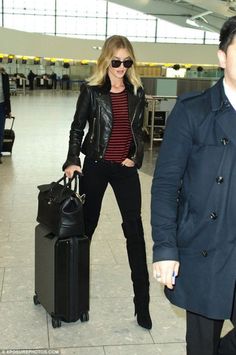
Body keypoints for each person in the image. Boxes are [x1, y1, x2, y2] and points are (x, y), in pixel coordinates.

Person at [151, 16, 236, 355]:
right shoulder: (193, 112)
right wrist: (165, 248)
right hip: (206, 249)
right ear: (222, 57)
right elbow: (166, 185)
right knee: (201, 346)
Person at [63, 35, 152, 330]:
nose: (121, 67)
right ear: (106, 60)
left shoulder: (137, 91)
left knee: (135, 233)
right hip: (97, 166)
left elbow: (138, 131)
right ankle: (72, 298)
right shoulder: (92, 92)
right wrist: (72, 159)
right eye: (116, 61)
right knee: (86, 230)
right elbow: (77, 127)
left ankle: (142, 306)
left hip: (124, 170)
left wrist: (135, 156)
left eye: (127, 62)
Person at [0, 67, 11, 164]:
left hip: (2, 106)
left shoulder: (4, 76)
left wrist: (9, 110)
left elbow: (7, 93)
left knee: (0, 131)